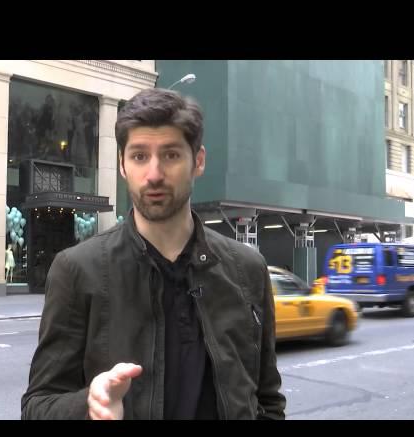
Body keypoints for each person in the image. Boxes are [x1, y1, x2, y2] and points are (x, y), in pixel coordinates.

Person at [22, 88, 286, 420]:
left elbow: (267, 400)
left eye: (171, 155)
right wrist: (89, 405)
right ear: (122, 164)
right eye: (139, 156)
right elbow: (38, 406)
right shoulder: (77, 270)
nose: (155, 174)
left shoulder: (248, 269)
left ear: (198, 161)